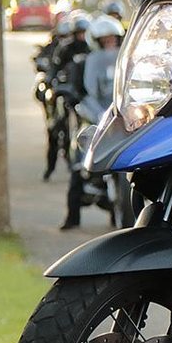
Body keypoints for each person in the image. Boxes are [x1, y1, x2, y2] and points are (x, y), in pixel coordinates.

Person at [60, 15, 124, 230]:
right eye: (105, 41)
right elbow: (76, 89)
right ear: (96, 42)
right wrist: (71, 95)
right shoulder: (82, 64)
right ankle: (72, 218)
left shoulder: (127, 61)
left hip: (120, 116)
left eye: (112, 39)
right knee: (78, 163)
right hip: (93, 117)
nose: (109, 43)